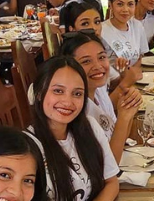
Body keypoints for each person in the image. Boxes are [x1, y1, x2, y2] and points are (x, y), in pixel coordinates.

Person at [28, 56, 119, 201]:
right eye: (58, 91)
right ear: (38, 93)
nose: (67, 101)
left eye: (77, 94)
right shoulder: (26, 149)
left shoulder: (90, 128)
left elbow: (112, 182)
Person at [60, 31, 142, 163]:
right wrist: (124, 117)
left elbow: (117, 137)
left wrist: (128, 108)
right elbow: (109, 166)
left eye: (102, 57)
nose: (98, 66)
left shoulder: (99, 91)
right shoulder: (75, 110)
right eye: (86, 61)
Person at [101, 0, 148, 67]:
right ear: (110, 5)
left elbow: (141, 57)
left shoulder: (137, 26)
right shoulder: (101, 30)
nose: (125, 9)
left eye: (130, 4)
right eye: (120, 4)